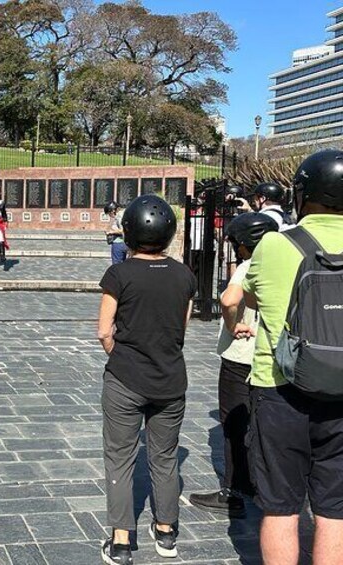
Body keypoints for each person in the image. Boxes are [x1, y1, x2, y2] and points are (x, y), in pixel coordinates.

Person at [241, 149, 343, 565]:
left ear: (302, 194)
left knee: (281, 508)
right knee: (335, 510)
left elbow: (248, 295)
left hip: (280, 388)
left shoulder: (274, 245)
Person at [97, 195, 196, 565]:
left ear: (130, 231)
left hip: (125, 379)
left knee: (120, 458)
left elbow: (105, 331)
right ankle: (167, 531)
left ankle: (121, 541)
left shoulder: (119, 274)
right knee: (165, 457)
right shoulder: (184, 275)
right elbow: (178, 332)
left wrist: (123, 357)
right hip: (170, 379)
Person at [188, 212, 279, 518]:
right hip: (272, 355)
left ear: (244, 244)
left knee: (234, 423)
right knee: (263, 422)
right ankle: (260, 484)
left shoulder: (247, 266)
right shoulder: (285, 264)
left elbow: (228, 300)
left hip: (240, 355)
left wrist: (231, 325)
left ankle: (233, 491)